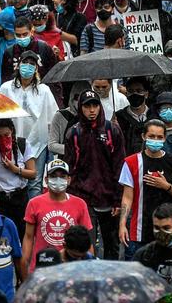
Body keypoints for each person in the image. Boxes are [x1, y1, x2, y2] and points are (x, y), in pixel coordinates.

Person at [62, 89, 125, 260]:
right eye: (87, 106)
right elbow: (69, 168)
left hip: (109, 198)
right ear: (80, 108)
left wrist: (118, 200)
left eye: (95, 105)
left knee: (112, 245)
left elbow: (120, 167)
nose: (92, 110)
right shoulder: (73, 133)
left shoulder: (113, 131)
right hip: (83, 198)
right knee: (87, 244)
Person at [118, 120, 172, 260]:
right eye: (152, 136)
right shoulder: (131, 162)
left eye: (159, 137)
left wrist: (166, 186)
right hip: (139, 231)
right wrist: (122, 224)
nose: (155, 140)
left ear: (165, 138)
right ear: (144, 136)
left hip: (167, 230)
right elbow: (127, 197)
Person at [22, 159, 92, 270]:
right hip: (42, 266)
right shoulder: (34, 203)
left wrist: (89, 267)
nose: (58, 179)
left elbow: (86, 239)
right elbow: (28, 237)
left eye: (62, 176)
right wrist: (24, 266)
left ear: (69, 180)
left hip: (71, 268)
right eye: (53, 176)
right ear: (46, 179)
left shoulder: (80, 204)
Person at [0, 120, 36, 238]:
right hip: (1, 198)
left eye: (6, 135)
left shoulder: (22, 145)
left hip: (19, 197)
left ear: (12, 132)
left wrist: (14, 169)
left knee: (22, 232)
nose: (3, 139)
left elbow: (33, 173)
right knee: (3, 233)